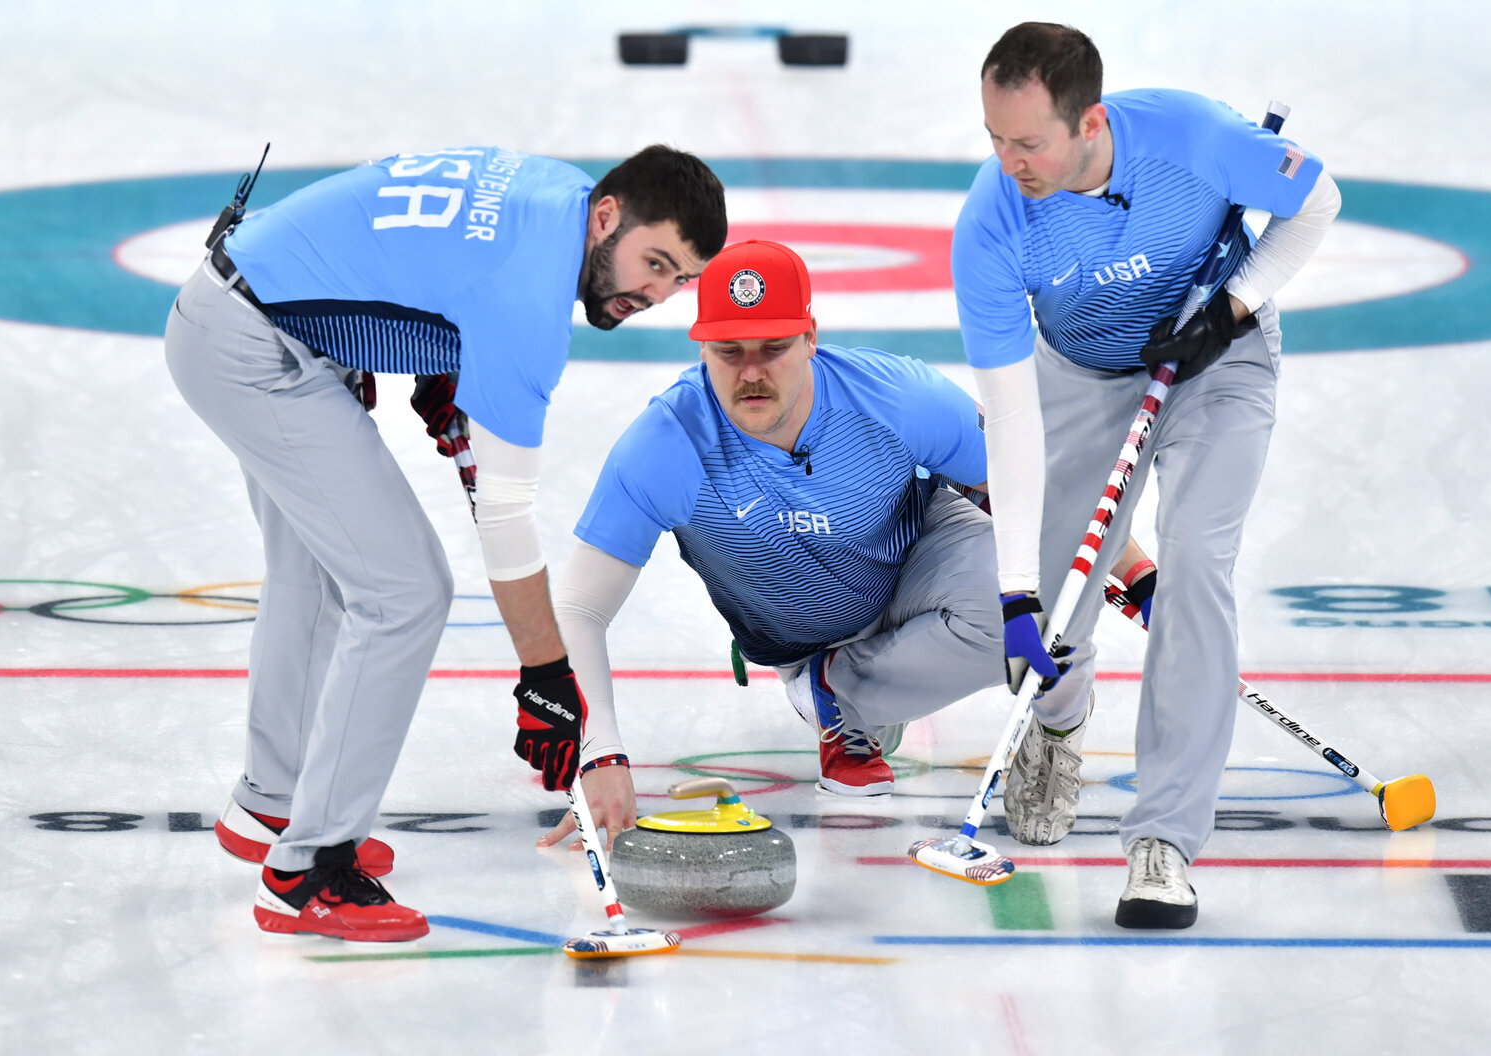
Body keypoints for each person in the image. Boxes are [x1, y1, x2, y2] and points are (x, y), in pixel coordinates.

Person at [164, 144, 727, 941]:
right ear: (608, 218)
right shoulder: (531, 306)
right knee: (404, 591)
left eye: (681, 280)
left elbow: (434, 253)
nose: (659, 294)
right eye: (656, 264)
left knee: (317, 572)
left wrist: (436, 357)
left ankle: (271, 805)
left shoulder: (561, 199)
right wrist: (545, 677)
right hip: (257, 348)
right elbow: (506, 521)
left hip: (250, 314)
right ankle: (309, 870)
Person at [951, 22, 1340, 928]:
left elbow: (1314, 200)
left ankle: (1163, 839)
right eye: (995, 138)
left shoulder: (1193, 137)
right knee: (1058, 589)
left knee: (1196, 562)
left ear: (1089, 122)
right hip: (1081, 373)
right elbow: (1011, 419)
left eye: (1028, 142)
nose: (1008, 163)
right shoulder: (993, 222)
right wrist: (1015, 594)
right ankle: (1057, 717)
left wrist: (1232, 309)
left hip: (1218, 362)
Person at [538, 238, 1063, 849]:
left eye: (774, 347)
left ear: (810, 338)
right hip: (798, 631)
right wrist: (599, 755)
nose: (751, 372)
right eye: (729, 350)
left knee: (1040, 599)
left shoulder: (897, 396)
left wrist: (1136, 579)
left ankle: (842, 693)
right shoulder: (665, 445)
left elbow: (1031, 493)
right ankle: (835, 692)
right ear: (701, 348)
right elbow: (579, 608)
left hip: (914, 565)